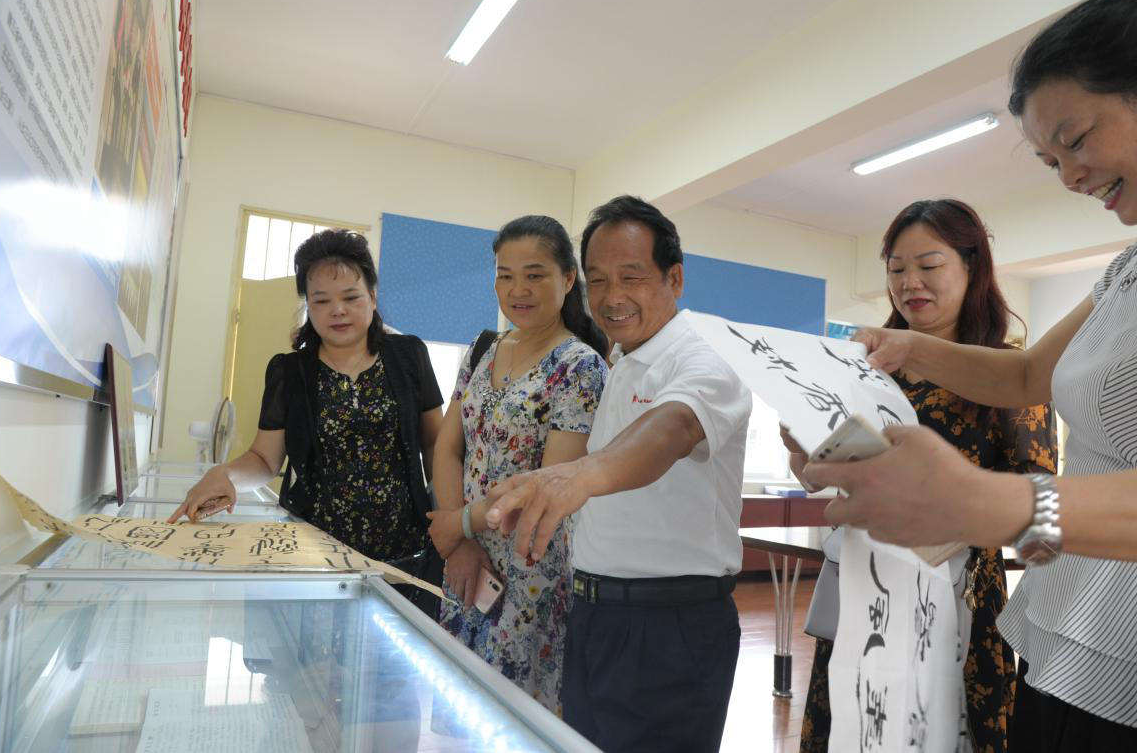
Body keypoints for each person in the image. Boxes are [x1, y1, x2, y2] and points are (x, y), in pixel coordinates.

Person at [804, 0, 1137, 747]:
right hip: (1061, 637)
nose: (1069, 177)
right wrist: (908, 349)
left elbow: (1018, 462)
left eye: (1076, 139)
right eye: (1051, 160)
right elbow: (1025, 378)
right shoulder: (1125, 270)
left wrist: (988, 503)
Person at [484, 196, 752, 753]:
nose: (611, 297)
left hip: (669, 623)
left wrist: (579, 475)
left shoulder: (705, 358)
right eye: (599, 280)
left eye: (632, 277)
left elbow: (674, 427)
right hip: (595, 614)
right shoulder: (623, 358)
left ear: (675, 278)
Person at [789, 199, 1057, 753]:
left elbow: (1043, 520)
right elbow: (823, 478)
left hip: (959, 599)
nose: (909, 282)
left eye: (929, 265)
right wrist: (803, 452)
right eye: (896, 268)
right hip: (865, 587)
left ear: (971, 268)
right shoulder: (862, 369)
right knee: (856, 722)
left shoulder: (1007, 373)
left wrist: (963, 511)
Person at [168, 229, 445, 612]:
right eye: (321, 300)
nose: (337, 310)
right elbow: (264, 460)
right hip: (316, 558)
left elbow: (435, 443)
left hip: (406, 555)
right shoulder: (290, 372)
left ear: (372, 297)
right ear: (308, 307)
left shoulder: (409, 355)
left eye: (351, 297)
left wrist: (449, 515)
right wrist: (226, 475)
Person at [424, 215, 608, 713]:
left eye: (534, 275)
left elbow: (548, 487)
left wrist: (459, 524)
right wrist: (459, 542)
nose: (517, 290)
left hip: (530, 572)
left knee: (514, 719)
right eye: (505, 275)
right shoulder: (483, 349)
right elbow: (448, 447)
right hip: (465, 566)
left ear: (567, 279)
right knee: (461, 713)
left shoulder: (580, 367)